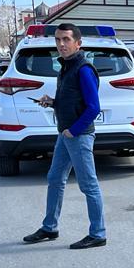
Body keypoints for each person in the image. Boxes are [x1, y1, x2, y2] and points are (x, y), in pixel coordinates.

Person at [23, 23, 106, 249]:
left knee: (88, 185)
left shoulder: (83, 69)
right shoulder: (67, 67)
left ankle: (98, 233)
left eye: (66, 40)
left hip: (77, 136)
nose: (61, 44)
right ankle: (50, 228)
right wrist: (53, 102)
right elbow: (73, 100)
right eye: (58, 40)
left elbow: (93, 107)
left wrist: (74, 130)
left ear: (78, 43)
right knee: (54, 179)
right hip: (66, 134)